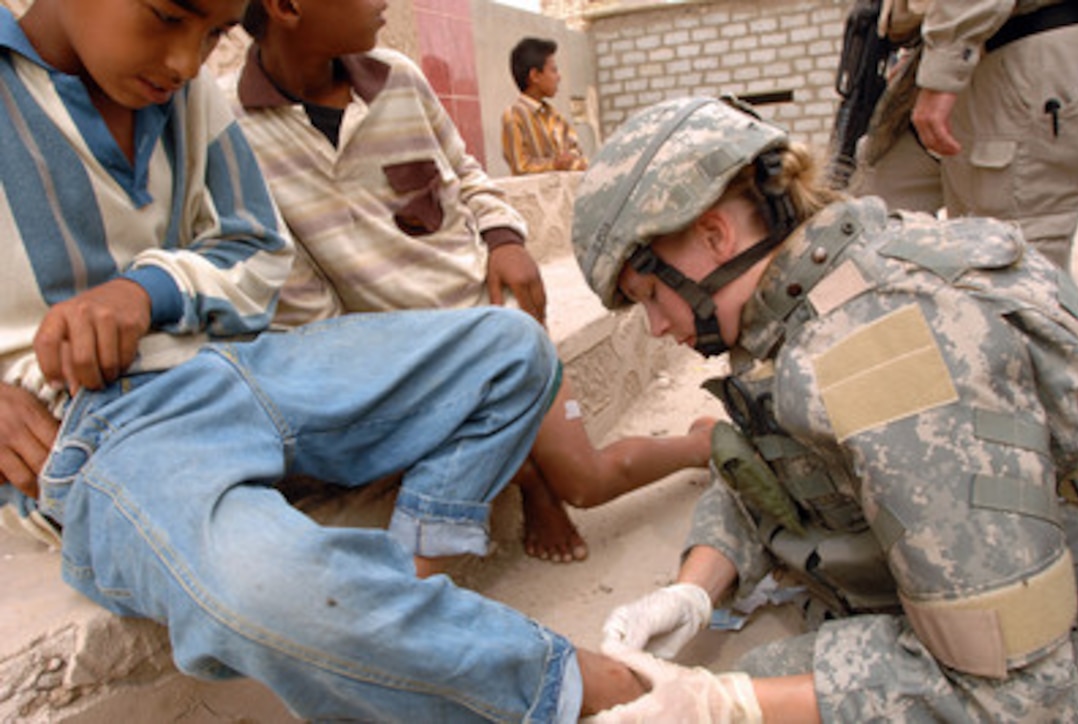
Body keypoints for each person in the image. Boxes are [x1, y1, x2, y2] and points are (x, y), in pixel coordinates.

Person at [0, 0, 650, 719]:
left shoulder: (194, 99)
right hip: (110, 426)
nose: (187, 62)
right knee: (261, 587)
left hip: (246, 365)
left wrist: (146, 290)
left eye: (212, 33)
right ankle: (564, 684)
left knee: (512, 348)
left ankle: (410, 576)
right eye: (165, 15)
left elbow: (255, 250)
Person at [570, 96, 1078, 721]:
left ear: (714, 236)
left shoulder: (881, 353)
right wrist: (694, 589)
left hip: (1045, 657)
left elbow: (1022, 692)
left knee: (762, 683)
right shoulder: (805, 293)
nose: (655, 326)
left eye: (651, 294)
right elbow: (777, 468)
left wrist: (728, 704)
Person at [228, 0, 713, 564]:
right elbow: (303, 301)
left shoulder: (400, 79)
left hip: (497, 324)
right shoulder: (232, 130)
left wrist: (505, 239)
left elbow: (466, 174)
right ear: (287, 7)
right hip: (406, 362)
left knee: (587, 481)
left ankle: (700, 444)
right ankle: (528, 476)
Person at [851, 0, 1078, 270]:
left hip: (1015, 49)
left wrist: (942, 70)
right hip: (961, 53)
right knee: (872, 225)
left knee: (1010, 267)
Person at [501, 36, 588, 176]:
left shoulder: (555, 116)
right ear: (535, 76)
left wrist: (572, 161)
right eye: (553, 70)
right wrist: (554, 164)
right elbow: (520, 166)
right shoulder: (514, 116)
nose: (558, 77)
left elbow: (576, 152)